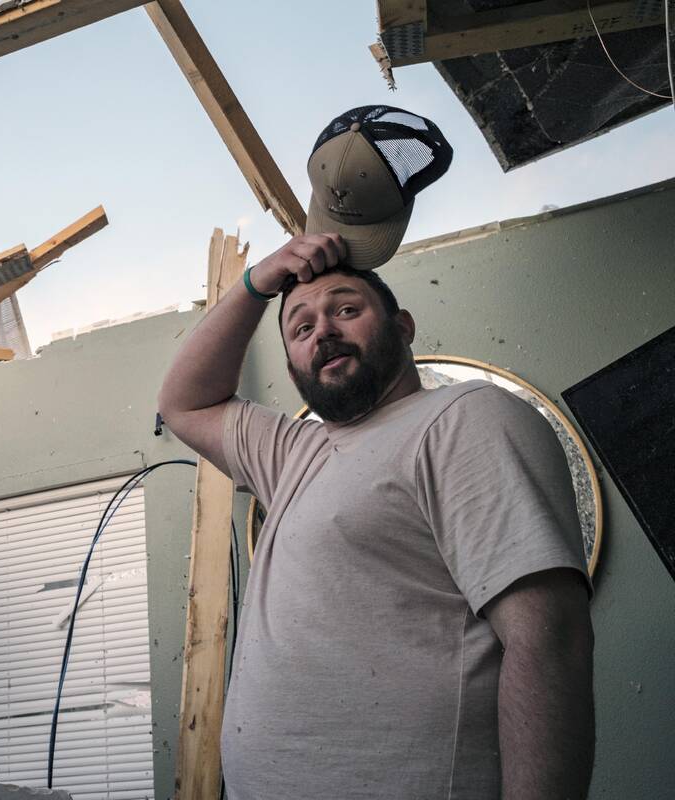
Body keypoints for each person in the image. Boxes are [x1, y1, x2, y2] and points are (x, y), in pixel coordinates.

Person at [158, 107, 594, 799]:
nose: (321, 330)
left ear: (404, 326)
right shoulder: (292, 454)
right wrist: (257, 281)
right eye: (300, 326)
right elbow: (183, 402)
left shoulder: (462, 420)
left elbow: (550, 642)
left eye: (346, 309)